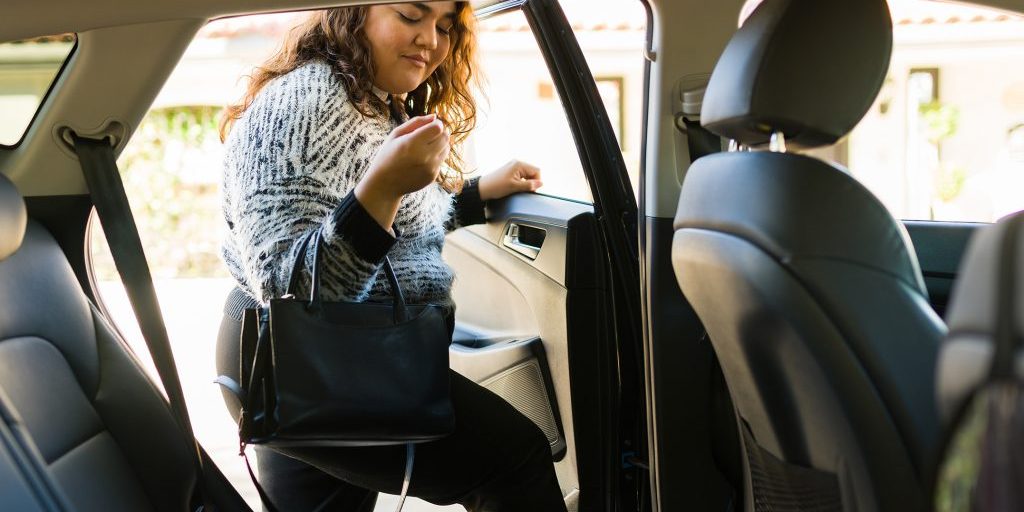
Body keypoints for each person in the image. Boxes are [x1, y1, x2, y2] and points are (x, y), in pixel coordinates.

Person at [214, 3, 566, 511]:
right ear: (353, 14)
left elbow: (394, 228)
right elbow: (292, 292)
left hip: (318, 363)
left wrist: (472, 194)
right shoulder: (305, 101)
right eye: (411, 15)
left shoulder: (367, 97)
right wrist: (383, 186)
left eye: (445, 26)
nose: (431, 40)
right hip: (303, 362)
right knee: (515, 461)